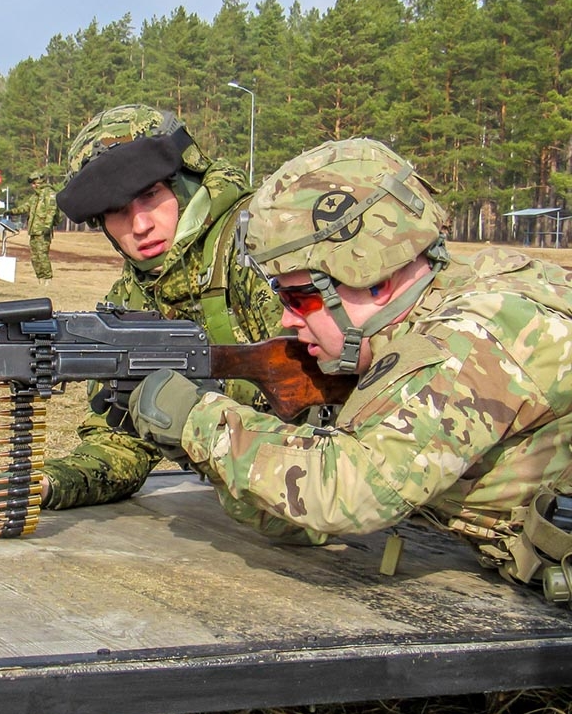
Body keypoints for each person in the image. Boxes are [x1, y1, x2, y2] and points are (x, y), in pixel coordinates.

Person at [119, 137, 572, 594]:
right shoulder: (404, 337)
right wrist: (191, 447)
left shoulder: (475, 336)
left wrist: (201, 422)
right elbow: (306, 524)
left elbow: (349, 492)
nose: (286, 318)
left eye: (300, 297)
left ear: (375, 279)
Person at [0, 104, 285, 526]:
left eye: (150, 197)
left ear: (185, 183)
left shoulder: (258, 249)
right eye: (117, 211)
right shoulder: (132, 299)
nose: (139, 225)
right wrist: (35, 486)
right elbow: (120, 443)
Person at [17, 170, 60, 285]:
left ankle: (47, 279)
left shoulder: (49, 193)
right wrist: (12, 212)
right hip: (34, 231)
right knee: (35, 257)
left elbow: (51, 211)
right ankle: (40, 278)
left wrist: (47, 226)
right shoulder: (35, 196)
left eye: (34, 183)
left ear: (39, 182)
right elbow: (26, 207)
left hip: (42, 231)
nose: (32, 186)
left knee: (42, 255)